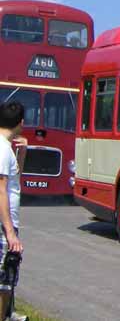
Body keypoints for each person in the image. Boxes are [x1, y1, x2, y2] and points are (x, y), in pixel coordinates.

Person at [0, 101, 27, 321]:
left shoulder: (7, 149)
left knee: (8, 277)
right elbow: (1, 191)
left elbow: (15, 178)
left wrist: (23, 151)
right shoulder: (2, 150)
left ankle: (9, 314)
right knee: (5, 279)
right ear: (21, 123)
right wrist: (10, 232)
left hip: (8, 222)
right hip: (4, 224)